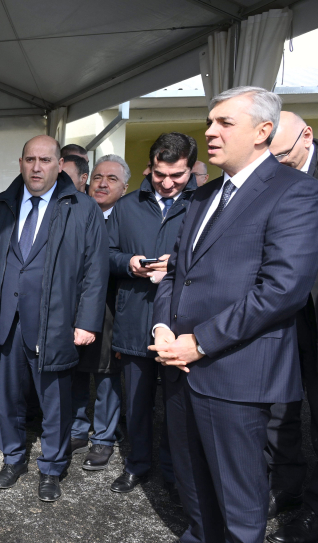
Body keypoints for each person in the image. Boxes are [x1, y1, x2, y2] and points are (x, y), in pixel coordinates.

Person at [142, 86, 318, 543]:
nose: (210, 132)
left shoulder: (297, 194)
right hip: (179, 361)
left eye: (224, 122)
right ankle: (202, 538)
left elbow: (283, 290)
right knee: (192, 469)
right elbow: (175, 271)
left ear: (263, 131)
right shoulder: (201, 197)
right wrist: (162, 325)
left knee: (241, 488)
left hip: (237, 369)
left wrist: (198, 342)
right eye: (209, 121)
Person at [0, 135, 107, 502]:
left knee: (55, 403)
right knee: (8, 398)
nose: (36, 167)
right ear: (20, 162)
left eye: (45, 160)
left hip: (55, 322)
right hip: (5, 320)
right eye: (30, 159)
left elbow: (96, 269)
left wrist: (87, 321)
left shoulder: (82, 208)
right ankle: (12, 458)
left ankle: (53, 467)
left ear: (60, 164)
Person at [107, 133, 198, 502]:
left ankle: (175, 472)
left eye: (177, 175)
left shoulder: (202, 205)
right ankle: (137, 464)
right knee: (137, 403)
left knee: (178, 407)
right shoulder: (127, 207)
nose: (167, 182)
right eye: (160, 174)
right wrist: (128, 263)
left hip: (180, 324)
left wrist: (173, 265)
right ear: (150, 166)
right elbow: (106, 254)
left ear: (191, 169)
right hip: (134, 319)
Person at [266, 113, 318, 543]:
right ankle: (295, 495)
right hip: (291, 318)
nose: (280, 165)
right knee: (286, 414)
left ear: (307, 136)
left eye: (285, 156)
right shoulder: (274, 175)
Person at [70, 155, 128, 472]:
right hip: (76, 308)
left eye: (112, 179)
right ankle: (78, 430)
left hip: (112, 309)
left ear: (125, 187)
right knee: (76, 369)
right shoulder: (75, 212)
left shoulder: (128, 218)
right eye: (98, 177)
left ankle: (103, 437)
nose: (103, 183)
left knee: (106, 375)